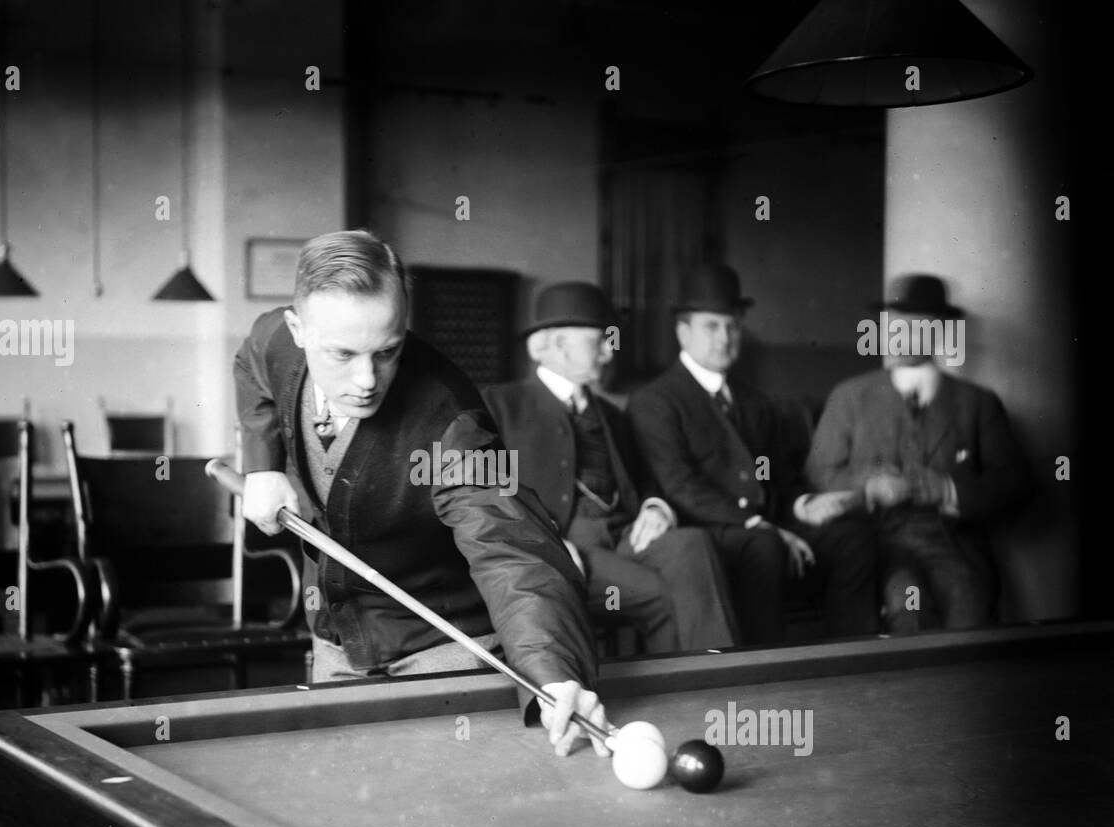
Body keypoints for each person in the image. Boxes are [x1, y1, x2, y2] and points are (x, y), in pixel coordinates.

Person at [233, 229, 607, 757]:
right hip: (337, 640)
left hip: (445, 653)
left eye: (388, 350)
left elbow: (511, 550)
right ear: (298, 329)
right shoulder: (275, 341)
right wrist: (261, 465)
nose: (367, 379)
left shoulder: (448, 421)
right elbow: (250, 365)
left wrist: (554, 675)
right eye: (343, 354)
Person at [629, 262, 879, 644]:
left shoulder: (756, 402)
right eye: (711, 326)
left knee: (852, 538)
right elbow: (680, 485)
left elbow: (779, 477)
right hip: (710, 531)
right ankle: (762, 671)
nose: (725, 337)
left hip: (766, 525)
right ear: (683, 332)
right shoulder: (656, 401)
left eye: (732, 326)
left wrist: (804, 505)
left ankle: (852, 659)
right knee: (764, 547)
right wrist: (755, 524)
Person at [484, 281, 737, 654]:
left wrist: (656, 507)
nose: (608, 352)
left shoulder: (613, 416)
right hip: (561, 546)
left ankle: (726, 672)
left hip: (624, 536)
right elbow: (485, 491)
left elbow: (646, 479)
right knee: (658, 594)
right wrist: (545, 542)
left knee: (691, 543)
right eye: (599, 340)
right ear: (550, 344)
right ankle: (691, 691)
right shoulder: (500, 405)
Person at [805, 274, 1033, 631]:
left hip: (954, 542)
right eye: (894, 326)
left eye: (917, 327)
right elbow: (819, 471)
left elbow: (1015, 480)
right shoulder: (850, 398)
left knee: (970, 617)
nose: (901, 337)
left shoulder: (976, 403)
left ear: (941, 333)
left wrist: (947, 489)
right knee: (907, 608)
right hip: (878, 540)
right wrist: (870, 485)